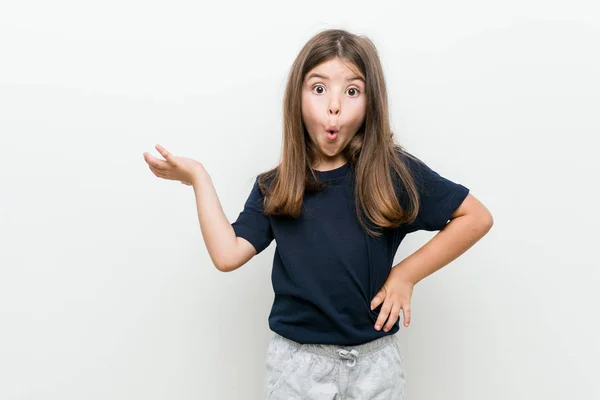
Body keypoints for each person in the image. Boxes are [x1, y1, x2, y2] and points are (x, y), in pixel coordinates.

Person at [143, 28, 493, 400]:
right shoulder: (276, 186)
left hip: (376, 365)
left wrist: (406, 275)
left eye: (352, 91)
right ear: (297, 98)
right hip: (297, 367)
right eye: (319, 88)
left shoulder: (392, 174)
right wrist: (199, 178)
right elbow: (227, 254)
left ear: (371, 103)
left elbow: (476, 217)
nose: (334, 106)